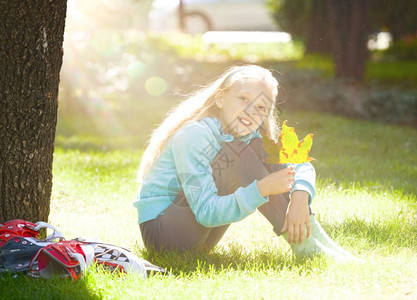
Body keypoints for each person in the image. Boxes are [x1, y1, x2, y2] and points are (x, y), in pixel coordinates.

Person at [134, 65, 357, 262]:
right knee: (238, 153)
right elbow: (205, 213)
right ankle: (304, 247)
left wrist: (300, 195)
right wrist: (262, 189)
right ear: (221, 98)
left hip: (200, 240)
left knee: (252, 148)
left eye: (261, 107)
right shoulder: (195, 135)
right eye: (243, 99)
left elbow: (300, 165)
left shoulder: (248, 138)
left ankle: (314, 239)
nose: (251, 111)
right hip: (164, 234)